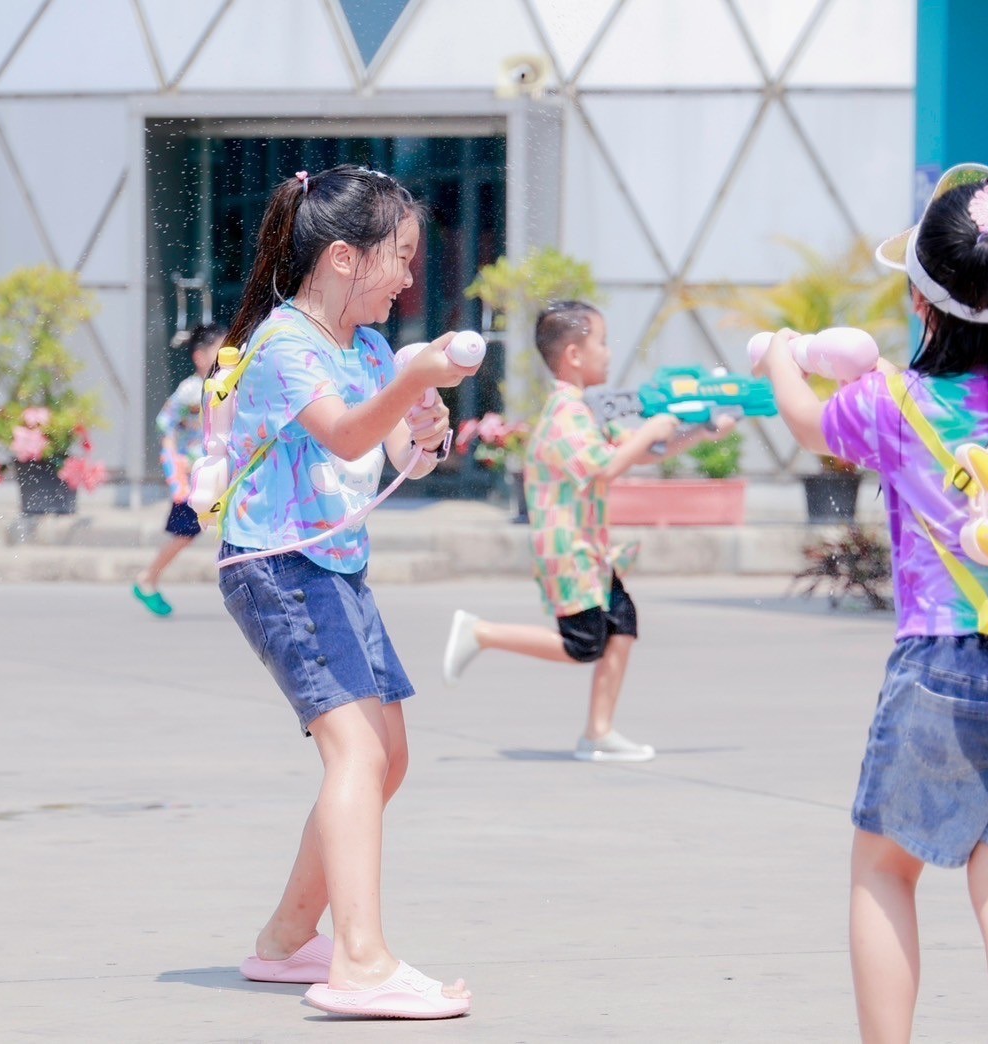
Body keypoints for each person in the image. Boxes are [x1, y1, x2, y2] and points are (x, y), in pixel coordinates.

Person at [755, 164, 988, 1043]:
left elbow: (808, 422)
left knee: (884, 870)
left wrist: (782, 357)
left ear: (921, 299)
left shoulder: (892, 401)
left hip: (951, 664)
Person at [217, 165, 478, 1020]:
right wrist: (410, 384)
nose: (408, 276)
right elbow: (342, 435)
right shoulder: (285, 345)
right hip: (278, 566)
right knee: (358, 756)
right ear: (342, 257)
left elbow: (399, 455)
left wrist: (428, 431)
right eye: (398, 256)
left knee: (388, 757)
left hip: (333, 566)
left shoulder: (365, 348)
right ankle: (361, 961)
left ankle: (288, 938)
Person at [440, 300, 735, 762]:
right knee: (583, 645)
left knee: (622, 624)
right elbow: (606, 467)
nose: (610, 352)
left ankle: (599, 732)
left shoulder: (586, 411)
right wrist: (653, 427)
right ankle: (481, 633)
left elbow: (642, 453)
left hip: (589, 551)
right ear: (574, 355)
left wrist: (701, 431)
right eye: (602, 342)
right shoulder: (566, 414)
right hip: (569, 552)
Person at [132, 323, 226, 616]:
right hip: (194, 475)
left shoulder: (227, 386)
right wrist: (175, 469)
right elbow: (166, 424)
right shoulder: (190, 390)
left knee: (231, 524)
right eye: (221, 349)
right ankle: (147, 578)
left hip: (219, 471)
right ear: (200, 356)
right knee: (185, 532)